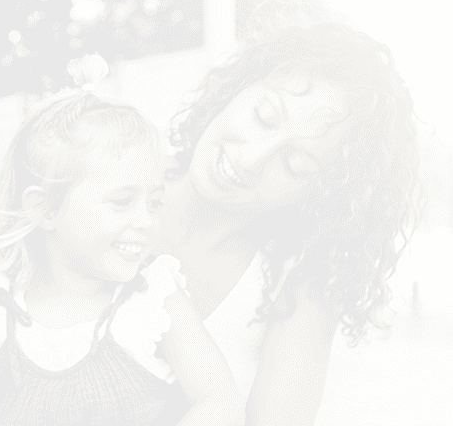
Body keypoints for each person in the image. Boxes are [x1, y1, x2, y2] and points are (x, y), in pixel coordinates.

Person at [0, 63, 243, 426]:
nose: (145, 220)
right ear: (45, 209)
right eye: (122, 201)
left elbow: (220, 401)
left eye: (154, 202)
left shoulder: (153, 298)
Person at [158, 23, 420, 425]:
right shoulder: (110, 175)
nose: (251, 159)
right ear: (238, 88)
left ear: (321, 195)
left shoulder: (297, 293)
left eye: (294, 165)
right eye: (264, 116)